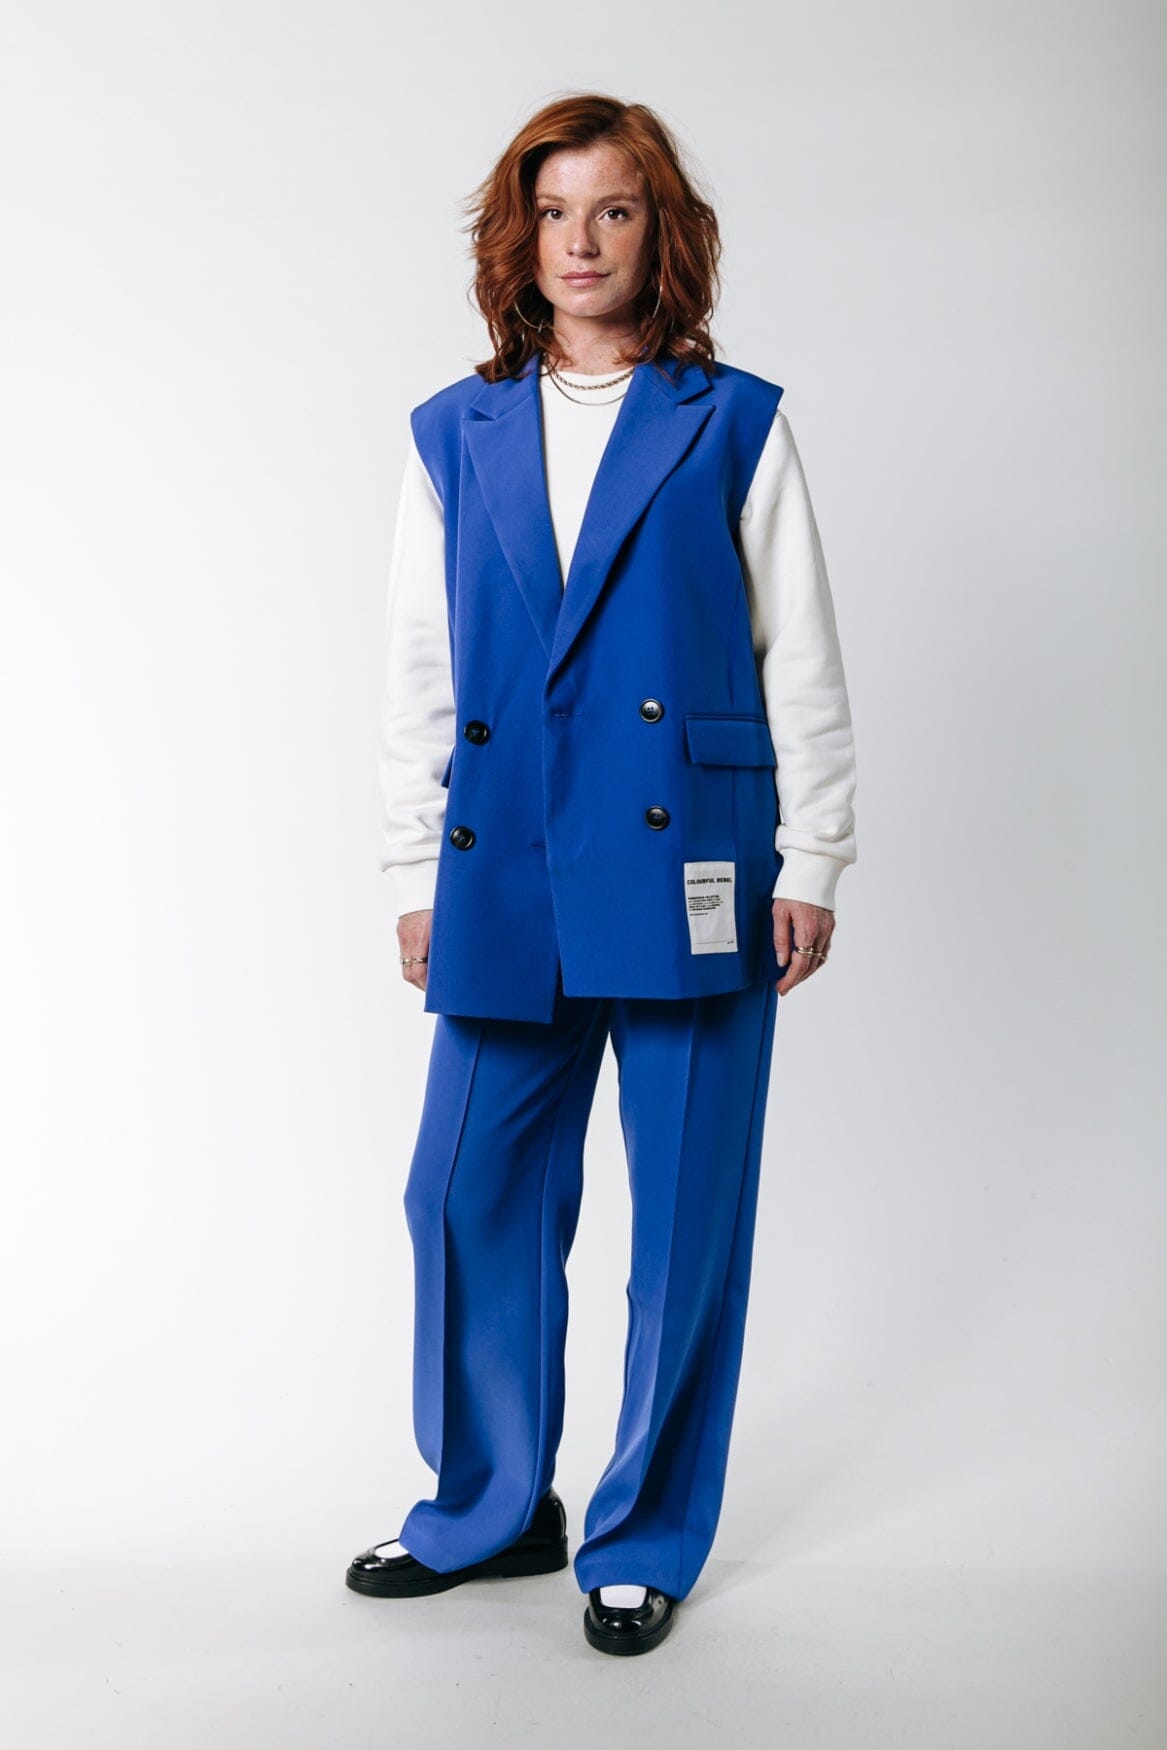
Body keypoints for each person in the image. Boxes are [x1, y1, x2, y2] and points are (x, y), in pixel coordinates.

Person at [346, 93, 858, 1657]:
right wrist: (410, 865)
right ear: (520, 239)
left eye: (614, 210)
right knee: (463, 1186)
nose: (581, 241)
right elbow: (418, 669)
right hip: (504, 860)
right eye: (554, 212)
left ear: (661, 232)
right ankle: (495, 1504)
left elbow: (801, 654)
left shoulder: (734, 419)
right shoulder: (455, 432)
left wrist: (816, 853)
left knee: (685, 1213)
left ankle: (643, 1534)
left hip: (692, 853)